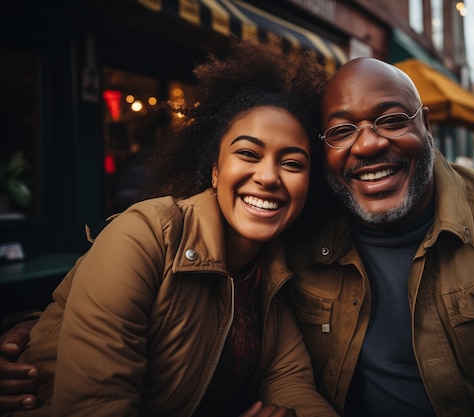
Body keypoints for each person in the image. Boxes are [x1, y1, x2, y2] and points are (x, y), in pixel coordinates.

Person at [4, 56, 474, 416]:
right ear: (212, 166)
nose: (371, 144)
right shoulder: (269, 241)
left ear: (425, 125)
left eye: (390, 119)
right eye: (342, 130)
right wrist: (35, 333)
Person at [0, 38, 338, 417]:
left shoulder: (275, 272)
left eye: (292, 163)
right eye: (247, 153)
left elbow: (289, 382)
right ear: (214, 169)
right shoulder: (142, 237)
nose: (268, 177)